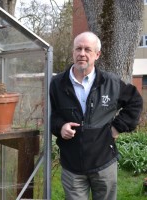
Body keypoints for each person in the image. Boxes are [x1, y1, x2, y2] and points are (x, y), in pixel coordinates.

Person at [50, 31, 143, 200]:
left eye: (88, 49)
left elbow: (135, 102)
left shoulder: (111, 82)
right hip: (72, 164)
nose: (82, 54)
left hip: (104, 163)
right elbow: (52, 114)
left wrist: (116, 128)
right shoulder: (57, 84)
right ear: (73, 52)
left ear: (97, 54)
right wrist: (60, 126)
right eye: (78, 49)